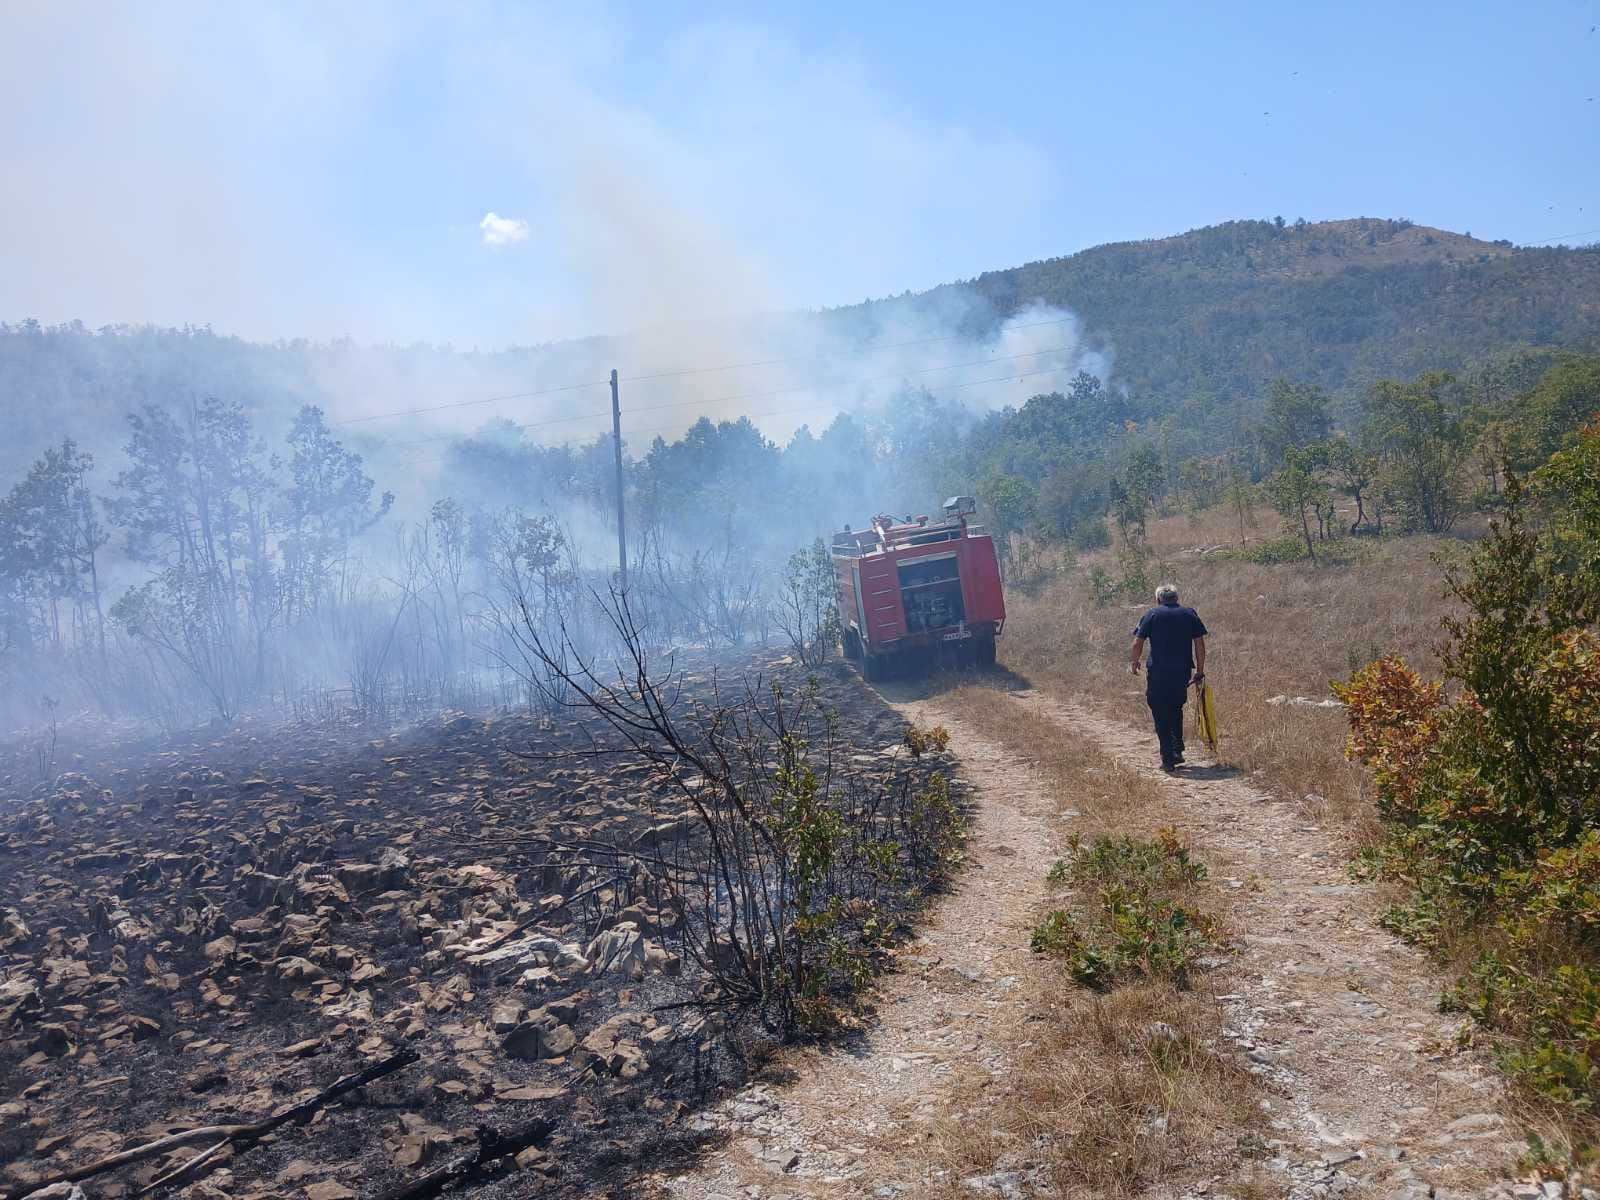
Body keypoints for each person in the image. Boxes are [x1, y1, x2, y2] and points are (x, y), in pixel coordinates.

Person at [1129, 583, 1208, 772]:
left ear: (1158, 599)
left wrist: (1134, 662)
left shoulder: (1152, 614)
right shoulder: (1189, 614)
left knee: (1159, 710)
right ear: (1176, 598)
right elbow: (1199, 643)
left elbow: (1137, 642)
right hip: (1181, 672)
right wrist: (1200, 669)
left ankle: (1167, 757)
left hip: (1158, 672)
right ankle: (1177, 749)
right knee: (1175, 708)